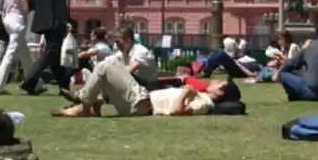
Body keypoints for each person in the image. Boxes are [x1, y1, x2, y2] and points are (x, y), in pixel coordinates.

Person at [53, 56, 241, 118]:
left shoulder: (204, 104)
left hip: (140, 104)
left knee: (104, 67)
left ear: (219, 92)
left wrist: (185, 93)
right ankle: (91, 103)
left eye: (219, 82)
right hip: (142, 96)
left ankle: (83, 100)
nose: (214, 81)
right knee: (112, 62)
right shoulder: (202, 96)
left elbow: (176, 112)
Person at [20, 0, 71, 95]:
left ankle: (64, 86)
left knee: (55, 54)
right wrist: (66, 20)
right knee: (50, 52)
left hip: (41, 19)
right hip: (55, 20)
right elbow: (59, 0)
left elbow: (33, 1)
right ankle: (29, 81)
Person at [278, 32, 318, 101]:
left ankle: (293, 96)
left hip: (315, 93)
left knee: (283, 74)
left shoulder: (310, 45)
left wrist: (303, 49)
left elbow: (290, 63)